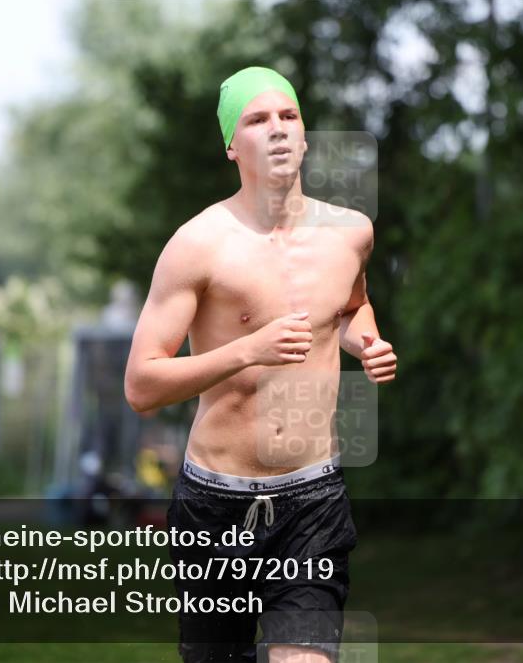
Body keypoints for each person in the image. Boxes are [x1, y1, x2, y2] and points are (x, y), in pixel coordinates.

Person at [125, 66, 397, 663]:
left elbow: (351, 306)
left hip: (313, 501)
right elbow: (142, 383)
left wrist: (366, 342)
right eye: (256, 120)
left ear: (304, 135)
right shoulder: (198, 245)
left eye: (288, 116)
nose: (277, 129)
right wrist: (247, 350)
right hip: (213, 505)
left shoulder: (350, 234)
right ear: (232, 145)